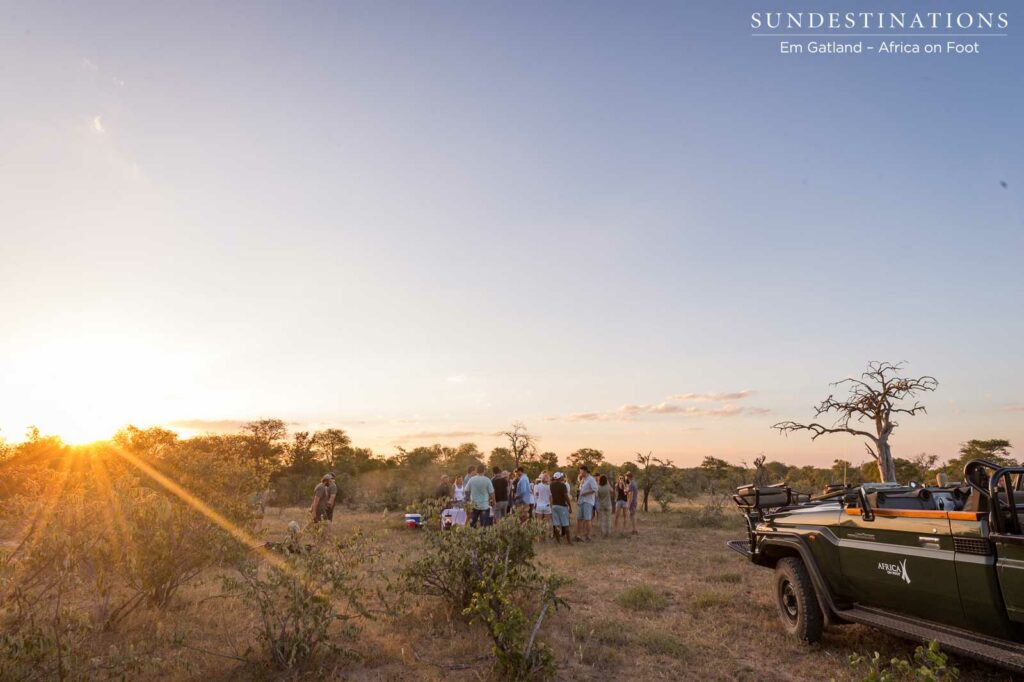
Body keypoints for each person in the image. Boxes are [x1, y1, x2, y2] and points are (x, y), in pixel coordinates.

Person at [549, 472, 572, 544]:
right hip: (562, 506)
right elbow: (566, 496)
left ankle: (558, 541)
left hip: (554, 506)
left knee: (556, 524)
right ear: (560, 478)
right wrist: (570, 505)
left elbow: (552, 496)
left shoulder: (551, 485)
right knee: (566, 524)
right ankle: (569, 542)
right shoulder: (563, 485)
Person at [575, 465, 597, 542]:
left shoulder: (591, 479)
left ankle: (588, 536)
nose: (580, 473)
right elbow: (580, 490)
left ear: (584, 471)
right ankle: (578, 535)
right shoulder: (583, 479)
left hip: (588, 501)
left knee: (587, 519)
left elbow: (595, 489)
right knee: (579, 519)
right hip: (581, 501)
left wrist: (586, 493)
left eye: (581, 471)